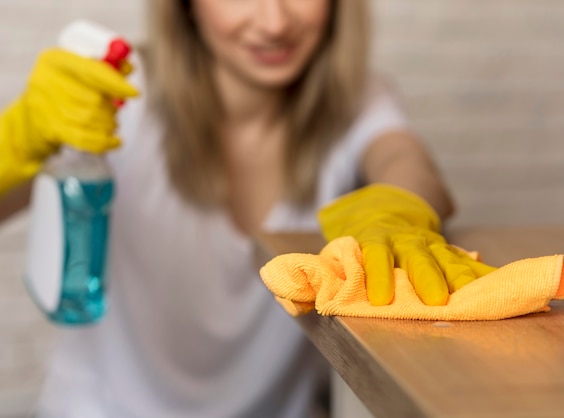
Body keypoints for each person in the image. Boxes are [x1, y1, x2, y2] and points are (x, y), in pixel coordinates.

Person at [0, 0, 491, 416]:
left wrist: (398, 208)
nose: (274, 22)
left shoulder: (358, 101)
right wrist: (18, 142)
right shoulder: (116, 96)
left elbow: (406, 161)